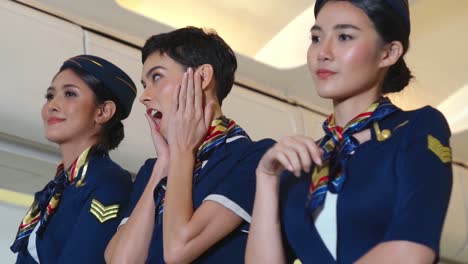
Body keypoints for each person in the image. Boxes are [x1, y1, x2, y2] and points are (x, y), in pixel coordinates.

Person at [246, 0, 452, 263]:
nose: (323, 52)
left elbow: (411, 251)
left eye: (344, 36)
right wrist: (266, 178)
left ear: (388, 53)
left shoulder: (416, 127)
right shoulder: (303, 159)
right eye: (316, 37)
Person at [105, 26, 275, 264]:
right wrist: (164, 164)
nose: (144, 96)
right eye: (145, 84)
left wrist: (182, 152)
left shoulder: (255, 156)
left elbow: (178, 250)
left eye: (156, 77)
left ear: (202, 77)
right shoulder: (153, 169)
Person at [11, 55, 137, 263]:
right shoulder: (53, 191)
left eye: (70, 94)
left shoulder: (109, 182)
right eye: (50, 96)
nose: (52, 104)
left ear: (103, 111)